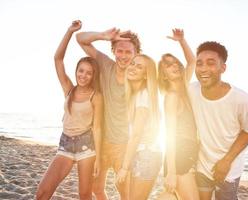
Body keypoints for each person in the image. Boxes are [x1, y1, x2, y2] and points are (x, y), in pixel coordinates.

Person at [36, 20, 103, 200]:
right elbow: (58, 59)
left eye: (88, 73)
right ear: (76, 71)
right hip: (65, 144)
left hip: (87, 146)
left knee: (84, 195)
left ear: (93, 76)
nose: (83, 75)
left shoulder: (96, 96)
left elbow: (97, 128)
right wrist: (70, 31)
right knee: (42, 192)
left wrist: (100, 160)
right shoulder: (69, 89)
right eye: (81, 71)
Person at [76, 27, 141, 200]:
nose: (124, 55)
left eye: (129, 52)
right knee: (96, 189)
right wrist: (103, 36)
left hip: (124, 145)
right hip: (101, 142)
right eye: (120, 50)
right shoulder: (105, 64)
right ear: (113, 51)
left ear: (136, 54)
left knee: (124, 192)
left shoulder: (138, 76)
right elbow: (80, 38)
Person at [189, 41, 248, 200]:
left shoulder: (241, 99)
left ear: (223, 68)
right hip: (202, 164)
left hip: (230, 168)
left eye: (211, 63)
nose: (204, 68)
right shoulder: (192, 90)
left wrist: (226, 161)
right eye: (199, 64)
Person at [157, 29, 199, 200]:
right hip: (179, 157)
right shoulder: (171, 98)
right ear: (164, 76)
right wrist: (171, 172)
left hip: (189, 153)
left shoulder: (184, 86)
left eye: (175, 63)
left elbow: (192, 62)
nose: (174, 66)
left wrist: (182, 40)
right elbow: (170, 134)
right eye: (168, 65)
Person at [116, 54, 162, 200]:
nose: (133, 68)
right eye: (133, 63)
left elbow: (136, 135)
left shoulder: (144, 95)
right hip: (141, 154)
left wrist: (124, 168)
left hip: (146, 156)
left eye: (139, 66)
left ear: (146, 75)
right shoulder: (137, 95)